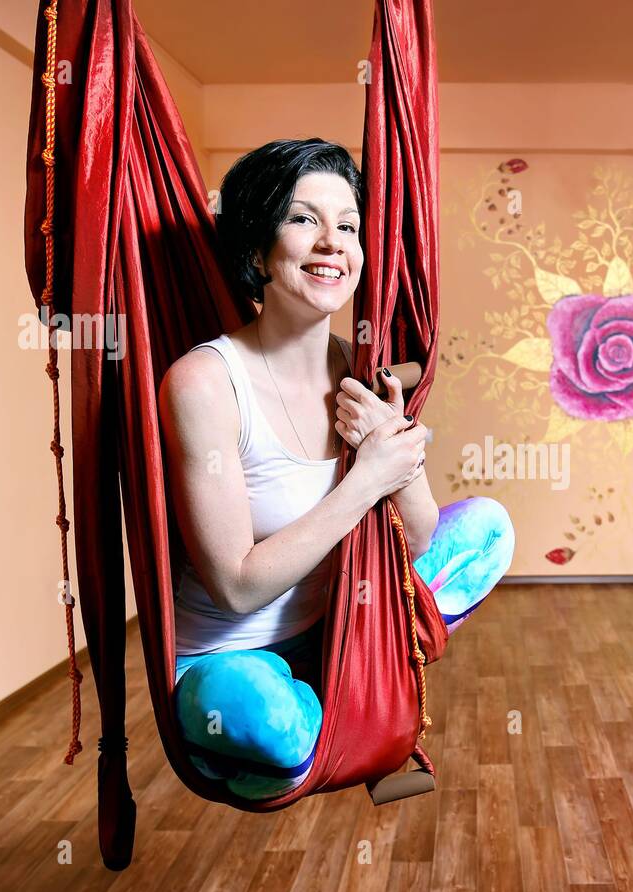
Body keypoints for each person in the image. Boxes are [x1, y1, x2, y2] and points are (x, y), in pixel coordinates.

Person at [158, 138, 514, 799]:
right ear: (256, 247)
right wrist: (366, 480)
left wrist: (397, 455)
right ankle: (318, 738)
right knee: (259, 714)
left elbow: (417, 543)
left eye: (347, 226)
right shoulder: (203, 382)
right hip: (234, 660)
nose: (333, 244)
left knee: (490, 528)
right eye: (303, 220)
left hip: (342, 636)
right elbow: (237, 587)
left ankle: (362, 702)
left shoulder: (360, 367)